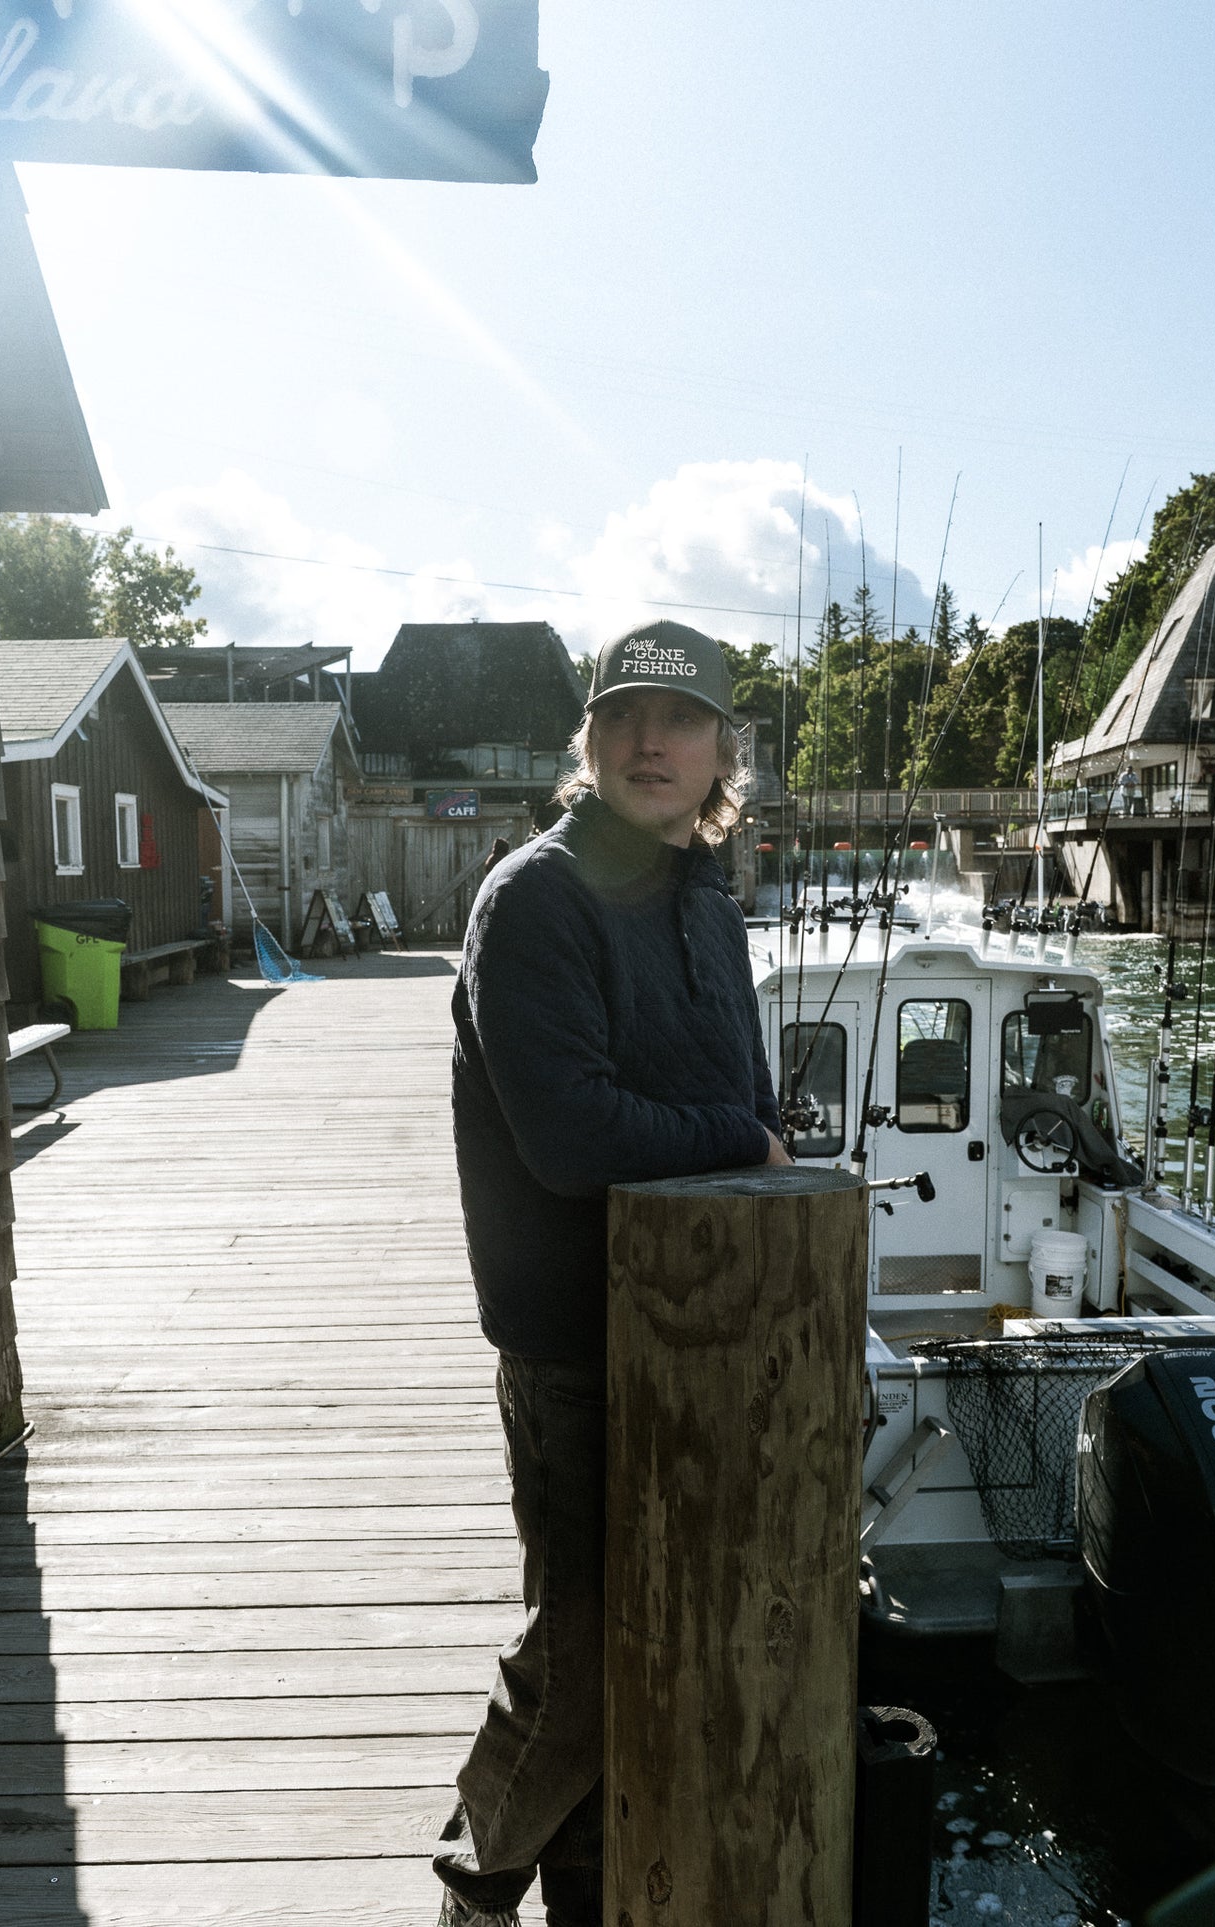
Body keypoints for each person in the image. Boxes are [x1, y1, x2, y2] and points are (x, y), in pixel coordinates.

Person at [434, 620, 791, 1927]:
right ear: (587, 741)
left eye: (683, 719)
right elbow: (574, 1137)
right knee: (584, 1655)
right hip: (576, 1339)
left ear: (721, 752)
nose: (653, 740)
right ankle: (473, 1895)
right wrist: (745, 1144)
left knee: (667, 1653)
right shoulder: (537, 896)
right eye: (627, 714)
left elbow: (737, 1086)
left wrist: (748, 1133)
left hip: (705, 1327)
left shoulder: (703, 887)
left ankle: (587, 1904)